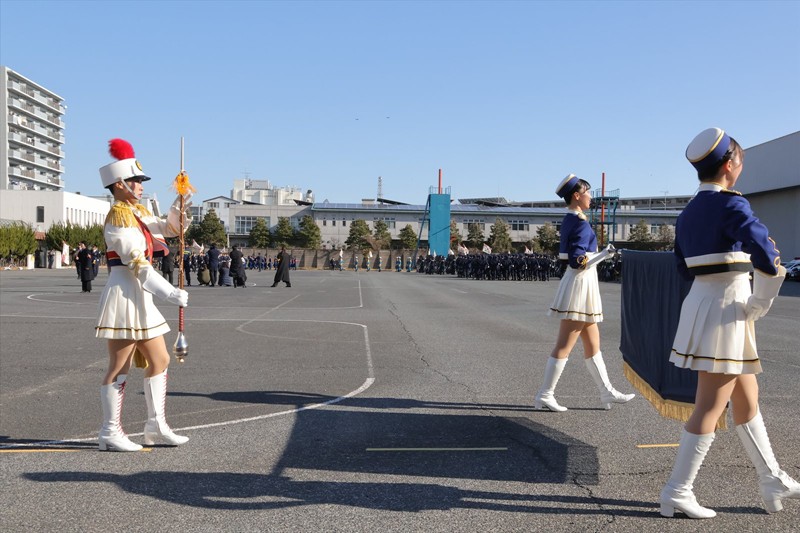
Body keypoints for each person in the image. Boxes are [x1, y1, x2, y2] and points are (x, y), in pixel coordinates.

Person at [659, 128, 797, 519]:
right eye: (740, 161)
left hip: (704, 304)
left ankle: (771, 478)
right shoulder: (732, 205)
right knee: (710, 404)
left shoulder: (688, 212)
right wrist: (760, 301)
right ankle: (677, 490)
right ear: (729, 165)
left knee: (747, 398)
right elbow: (768, 257)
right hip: (727, 310)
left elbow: (683, 269)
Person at [94, 138, 190, 452]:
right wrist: (170, 292)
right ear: (119, 185)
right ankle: (110, 432)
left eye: (140, 181)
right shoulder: (118, 218)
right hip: (124, 296)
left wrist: (179, 201)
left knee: (160, 360)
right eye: (135, 181)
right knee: (119, 366)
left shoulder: (137, 213)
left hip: (142, 298)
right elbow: (138, 265)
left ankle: (156, 424)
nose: (140, 186)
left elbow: (170, 229)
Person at [534, 174, 634, 412]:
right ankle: (545, 394)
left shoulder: (572, 219)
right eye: (587, 192)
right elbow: (577, 262)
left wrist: (599, 255)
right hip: (580, 285)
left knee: (593, 344)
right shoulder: (579, 222)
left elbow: (569, 258)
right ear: (577, 196)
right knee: (564, 345)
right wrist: (604, 255)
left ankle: (606, 391)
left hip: (582, 285)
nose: (591, 196)